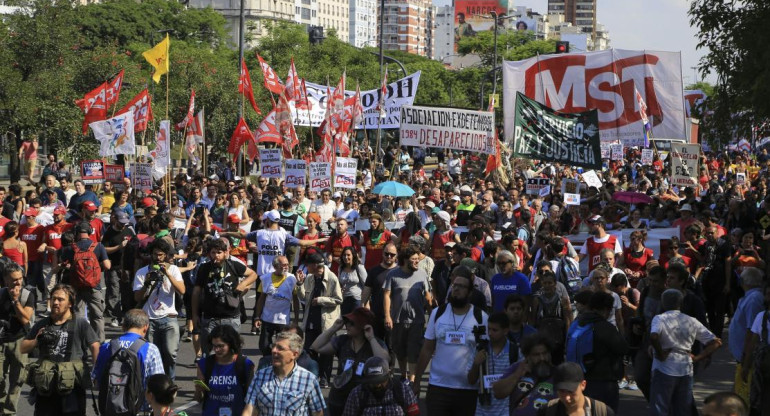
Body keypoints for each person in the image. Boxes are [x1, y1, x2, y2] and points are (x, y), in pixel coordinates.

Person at [412, 270, 488, 415]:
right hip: (438, 387)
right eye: (454, 285)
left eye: (462, 286)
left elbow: (484, 352)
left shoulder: (480, 317)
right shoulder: (438, 313)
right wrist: (417, 382)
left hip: (468, 390)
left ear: (470, 292)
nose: (456, 289)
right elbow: (427, 349)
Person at [21, 284, 100, 416]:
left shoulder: (80, 323)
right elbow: (23, 348)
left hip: (72, 387)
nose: (56, 302)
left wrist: (96, 372)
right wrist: (36, 340)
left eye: (61, 299)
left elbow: (95, 345)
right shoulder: (42, 324)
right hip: (47, 387)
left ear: (70, 303)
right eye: (53, 298)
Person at [649, 289, 722, 416]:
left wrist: (660, 353)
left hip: (664, 367)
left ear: (662, 303)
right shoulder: (691, 320)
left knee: (660, 408)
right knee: (682, 409)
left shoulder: (659, 318)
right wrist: (698, 357)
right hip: (685, 367)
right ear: (680, 303)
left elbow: (654, 336)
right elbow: (716, 342)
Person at [310, 308, 389, 416]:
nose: (347, 325)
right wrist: (333, 328)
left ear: (363, 326)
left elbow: (384, 360)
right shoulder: (342, 341)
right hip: (339, 399)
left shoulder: (375, 343)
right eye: (346, 322)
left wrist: (371, 338)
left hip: (364, 399)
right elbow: (316, 347)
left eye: (352, 323)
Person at [566, 291, 628, 412]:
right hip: (604, 383)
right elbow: (623, 348)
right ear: (606, 309)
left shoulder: (577, 323)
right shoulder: (606, 327)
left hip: (579, 380)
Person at [192, 238, 258, 353]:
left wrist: (243, 284)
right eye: (213, 252)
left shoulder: (233, 265)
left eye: (219, 252)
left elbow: (253, 274)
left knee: (232, 352)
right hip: (210, 319)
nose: (216, 255)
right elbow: (196, 292)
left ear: (225, 253)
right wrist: (194, 315)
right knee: (209, 354)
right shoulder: (204, 268)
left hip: (231, 318)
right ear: (209, 254)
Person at [132, 238, 185, 380]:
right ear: (151, 254)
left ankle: (169, 382)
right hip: (149, 318)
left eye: (161, 255)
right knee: (151, 355)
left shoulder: (173, 269)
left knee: (170, 353)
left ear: (166, 255)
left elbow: (182, 290)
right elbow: (137, 298)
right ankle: (153, 385)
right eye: (155, 254)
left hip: (169, 317)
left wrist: (167, 273)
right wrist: (147, 283)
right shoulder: (142, 272)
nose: (158, 258)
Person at [92, 309, 164, 411]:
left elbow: (96, 380)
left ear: (123, 326)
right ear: (146, 327)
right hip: (139, 408)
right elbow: (158, 385)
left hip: (110, 407)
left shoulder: (106, 346)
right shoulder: (150, 349)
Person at [243, 331, 325, 416]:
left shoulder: (309, 380)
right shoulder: (260, 376)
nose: (274, 350)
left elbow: (317, 413)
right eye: (273, 346)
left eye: (280, 348)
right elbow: (249, 411)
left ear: (294, 354)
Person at [384, 246, 433, 382]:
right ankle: (403, 375)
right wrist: (387, 316)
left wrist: (432, 318)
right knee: (400, 350)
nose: (417, 262)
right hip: (397, 320)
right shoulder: (392, 274)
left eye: (418, 259)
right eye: (414, 259)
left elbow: (428, 297)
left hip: (417, 321)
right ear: (405, 260)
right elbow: (387, 295)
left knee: (413, 351)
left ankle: (411, 380)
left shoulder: (422, 274)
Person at [58, 221, 111, 342]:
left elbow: (64, 264)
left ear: (76, 233)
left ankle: (80, 342)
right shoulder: (98, 246)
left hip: (76, 286)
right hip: (94, 286)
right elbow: (107, 266)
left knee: (78, 315)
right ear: (90, 232)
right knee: (97, 316)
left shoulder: (71, 248)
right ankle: (99, 342)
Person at [297, 252, 342, 387]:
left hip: (326, 323)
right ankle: (313, 376)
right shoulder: (310, 278)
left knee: (326, 353)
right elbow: (304, 298)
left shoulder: (332, 278)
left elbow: (339, 299)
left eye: (308, 264)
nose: (306, 267)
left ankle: (325, 378)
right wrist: (299, 284)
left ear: (315, 265)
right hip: (311, 320)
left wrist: (322, 300)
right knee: (310, 350)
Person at [194, 324, 255, 416]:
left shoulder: (245, 365)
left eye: (221, 346)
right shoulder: (204, 364)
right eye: (214, 346)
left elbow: (252, 400)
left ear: (231, 344)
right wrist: (198, 391)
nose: (216, 349)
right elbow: (199, 399)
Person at [492, 333, 558, 416]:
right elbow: (498, 393)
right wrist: (517, 375)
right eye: (536, 355)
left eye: (545, 353)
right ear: (527, 356)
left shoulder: (558, 373)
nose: (542, 358)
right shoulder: (517, 368)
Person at [0, 261, 35, 414]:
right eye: (14, 279)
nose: (18, 282)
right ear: (6, 279)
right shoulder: (1, 294)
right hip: (1, 341)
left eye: (20, 278)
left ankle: (9, 411)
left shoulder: (28, 294)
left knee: (17, 380)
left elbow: (26, 319)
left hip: (20, 341)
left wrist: (15, 301)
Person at [728, 267, 766, 405]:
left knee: (744, 401)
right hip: (742, 360)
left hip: (747, 361)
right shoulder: (749, 297)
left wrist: (746, 361)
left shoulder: (754, 299)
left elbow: (753, 332)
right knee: (737, 397)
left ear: (744, 281)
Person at [468, 311, 517, 416]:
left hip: (506, 410)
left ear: (505, 331)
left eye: (495, 330)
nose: (490, 333)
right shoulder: (480, 350)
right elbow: (471, 380)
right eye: (488, 329)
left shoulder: (515, 351)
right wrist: (476, 364)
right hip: (482, 410)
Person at [342, 356, 420, 416]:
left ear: (388, 376)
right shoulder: (356, 394)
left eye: (380, 381)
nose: (377, 385)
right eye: (373, 382)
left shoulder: (404, 391)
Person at [254, 255, 299, 356]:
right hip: (267, 319)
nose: (286, 267)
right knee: (264, 346)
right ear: (275, 266)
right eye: (283, 265)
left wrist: (296, 319)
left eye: (287, 264)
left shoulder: (292, 279)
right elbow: (261, 299)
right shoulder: (265, 278)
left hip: (283, 321)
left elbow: (296, 300)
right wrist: (257, 317)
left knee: (282, 347)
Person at [537, 362, 615, 416]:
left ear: (583, 385)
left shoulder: (603, 412)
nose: (567, 398)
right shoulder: (546, 412)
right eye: (562, 391)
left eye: (571, 391)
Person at [740, 283, 770, 416]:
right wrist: (745, 366)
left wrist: (745, 367)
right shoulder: (762, 317)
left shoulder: (762, 317)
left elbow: (752, 345)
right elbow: (752, 345)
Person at [102, 210, 135, 328]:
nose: (123, 225)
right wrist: (119, 247)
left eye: (125, 222)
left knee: (126, 292)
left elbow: (135, 243)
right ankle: (116, 316)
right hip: (113, 266)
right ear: (115, 220)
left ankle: (126, 316)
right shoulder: (109, 233)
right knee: (114, 292)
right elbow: (104, 249)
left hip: (126, 267)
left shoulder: (128, 230)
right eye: (121, 222)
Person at [360, 241, 399, 340]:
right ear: (382, 253)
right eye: (386, 254)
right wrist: (362, 307)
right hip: (376, 315)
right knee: (377, 345)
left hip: (395, 316)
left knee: (392, 348)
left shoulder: (400, 271)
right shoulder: (374, 271)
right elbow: (367, 291)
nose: (389, 256)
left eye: (392, 254)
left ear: (396, 256)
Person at [337, 246, 368, 315]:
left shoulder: (359, 267)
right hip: (344, 299)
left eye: (348, 255)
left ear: (353, 256)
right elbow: (339, 283)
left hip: (357, 299)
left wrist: (366, 303)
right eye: (344, 255)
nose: (346, 257)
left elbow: (367, 286)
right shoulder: (340, 268)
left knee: (355, 322)